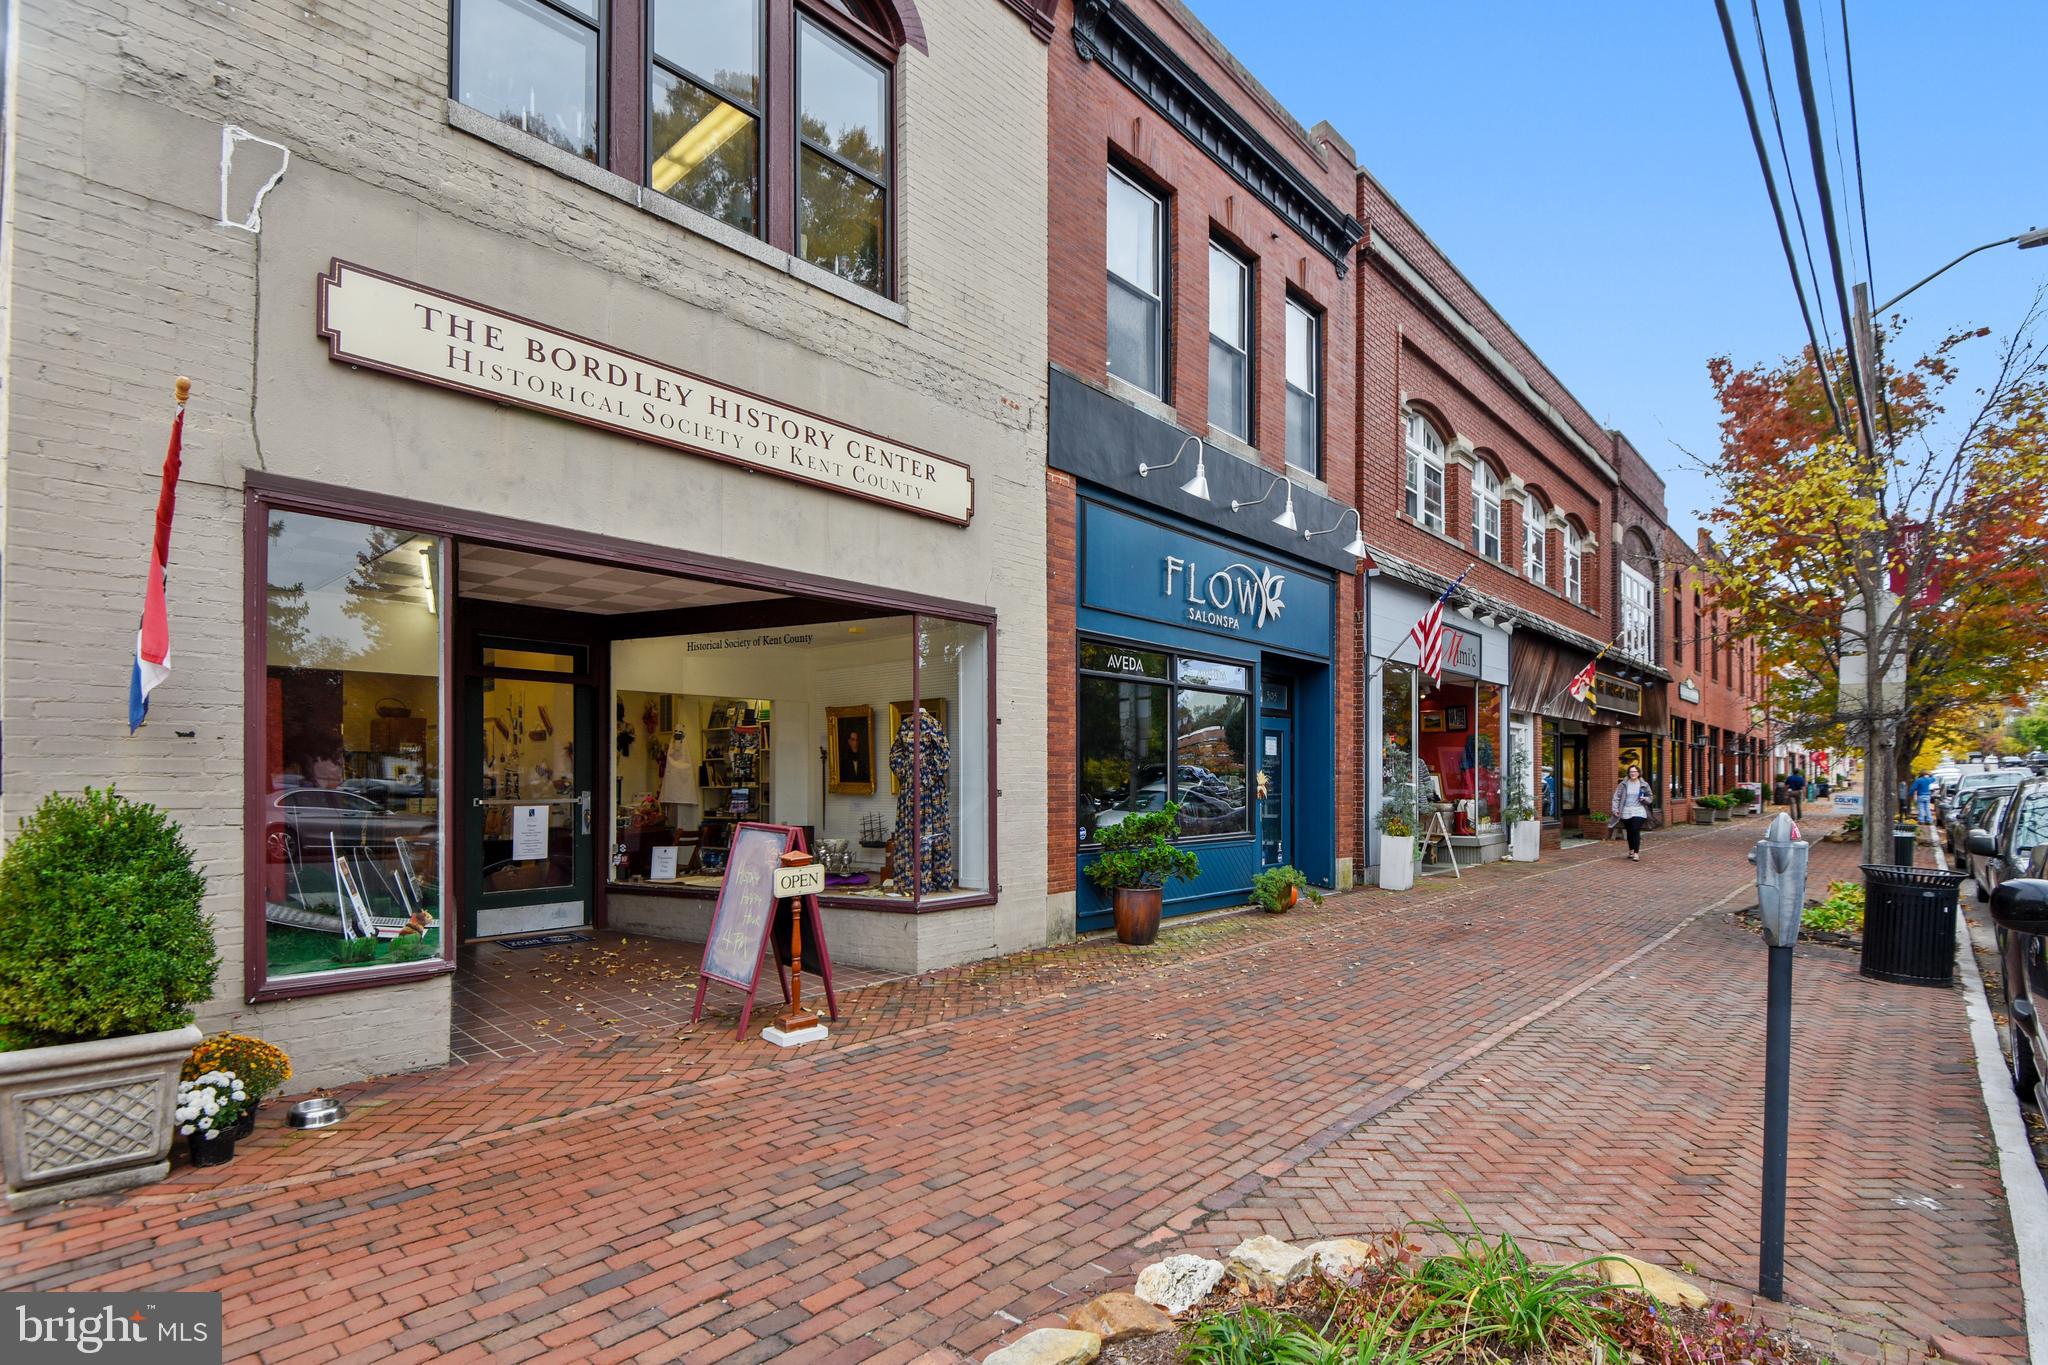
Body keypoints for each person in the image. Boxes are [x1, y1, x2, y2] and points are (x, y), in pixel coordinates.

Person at [1611, 763, 1653, 861]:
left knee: (1635, 829)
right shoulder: (1623, 784)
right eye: (1631, 772)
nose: (1633, 773)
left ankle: (1636, 853)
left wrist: (1645, 798)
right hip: (1626, 810)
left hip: (1639, 810)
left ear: (1639, 773)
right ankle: (1631, 850)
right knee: (1630, 831)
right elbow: (1616, 797)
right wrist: (1615, 809)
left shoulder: (1644, 784)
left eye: (1634, 771)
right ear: (1628, 773)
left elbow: (1650, 797)